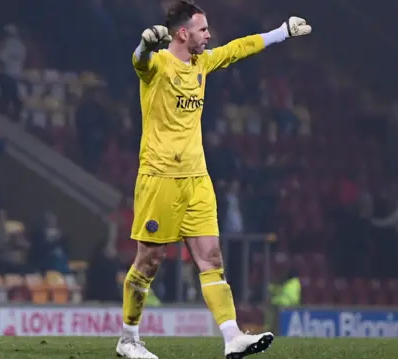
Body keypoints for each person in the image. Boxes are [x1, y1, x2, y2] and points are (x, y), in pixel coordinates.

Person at [117, 2, 311, 358]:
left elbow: (240, 48)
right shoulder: (159, 64)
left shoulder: (202, 63)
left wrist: (283, 31)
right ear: (183, 33)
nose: (209, 35)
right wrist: (145, 44)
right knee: (149, 262)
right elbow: (139, 61)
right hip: (161, 177)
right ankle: (128, 339)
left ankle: (232, 336)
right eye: (203, 29)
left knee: (211, 258)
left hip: (197, 179)